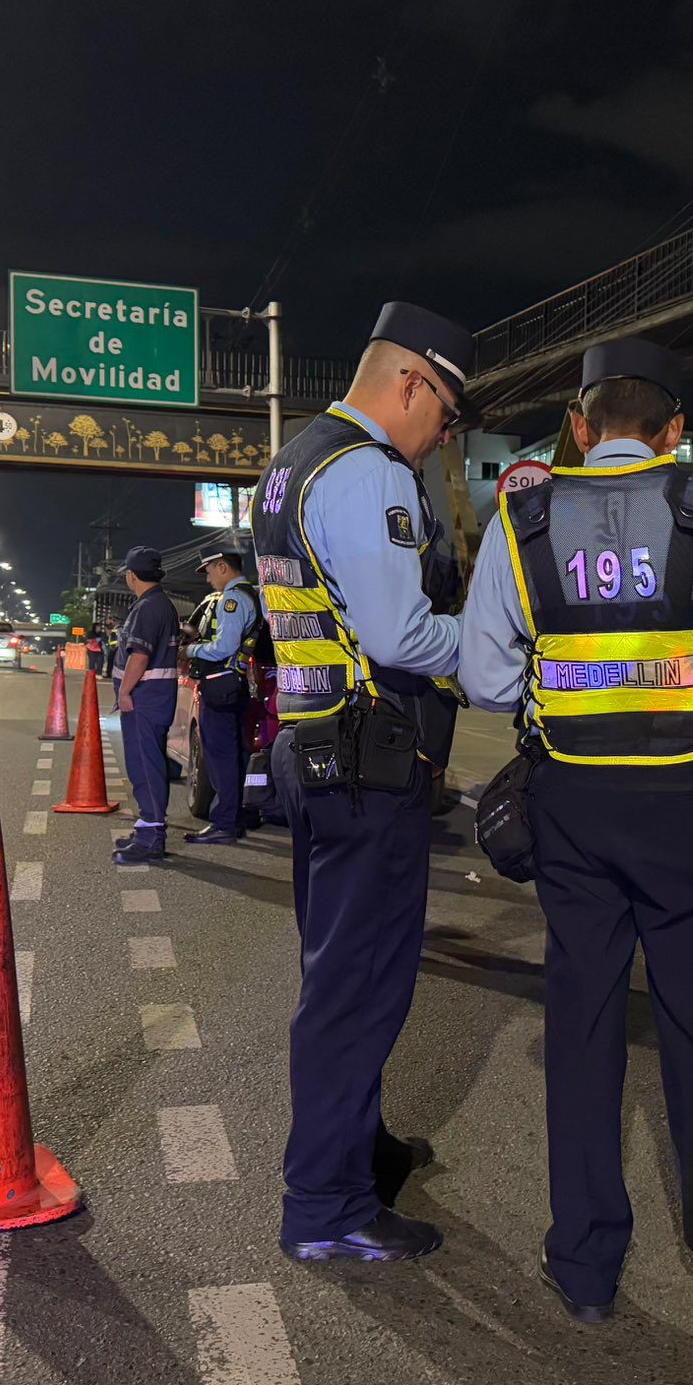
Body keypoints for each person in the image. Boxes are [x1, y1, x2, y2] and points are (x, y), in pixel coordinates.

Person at [458, 336, 693, 1333]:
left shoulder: (520, 518)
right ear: (673, 432)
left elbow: (485, 680)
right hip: (692, 806)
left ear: (577, 425)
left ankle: (583, 1265)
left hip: (571, 809)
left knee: (582, 1025)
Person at [253, 301, 471, 1265]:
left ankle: (359, 1150)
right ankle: (328, 1201)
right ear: (413, 384)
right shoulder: (370, 471)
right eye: (448, 416)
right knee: (359, 988)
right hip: (367, 760)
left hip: (310, 746)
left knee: (337, 973)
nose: (442, 439)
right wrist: (487, 655)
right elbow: (398, 634)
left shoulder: (293, 460)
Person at [111, 548, 182, 866]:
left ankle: (152, 836)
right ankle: (146, 828)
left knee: (145, 768)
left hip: (144, 698)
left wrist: (125, 692)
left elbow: (139, 655)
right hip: (154, 697)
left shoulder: (149, 607)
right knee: (145, 766)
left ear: (131, 575)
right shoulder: (159, 604)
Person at [184, 547, 257, 844]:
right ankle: (235, 817)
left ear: (223, 567)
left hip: (221, 682)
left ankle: (225, 822)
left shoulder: (232, 599)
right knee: (234, 754)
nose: (209, 579)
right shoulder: (250, 595)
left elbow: (224, 646)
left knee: (220, 755)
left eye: (210, 571)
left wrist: (190, 650)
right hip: (233, 683)